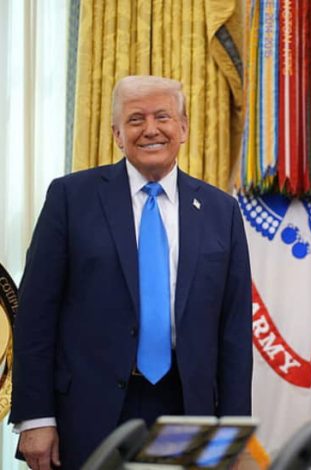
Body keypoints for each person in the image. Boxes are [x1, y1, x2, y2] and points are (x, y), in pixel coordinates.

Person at [10, 75, 253, 470]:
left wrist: (234, 432)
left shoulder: (220, 211)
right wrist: (36, 417)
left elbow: (235, 331)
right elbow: (36, 315)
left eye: (163, 117)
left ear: (183, 128)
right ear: (117, 134)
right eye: (136, 119)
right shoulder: (70, 198)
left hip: (186, 409)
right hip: (87, 412)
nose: (151, 129)